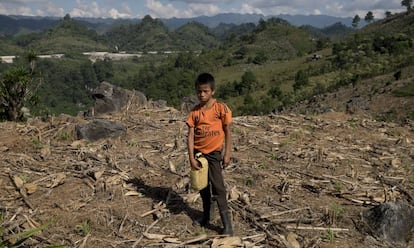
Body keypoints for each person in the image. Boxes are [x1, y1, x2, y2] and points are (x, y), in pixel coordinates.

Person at [186, 72, 234, 236]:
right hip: (199, 154)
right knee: (203, 186)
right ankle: (206, 216)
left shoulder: (221, 108)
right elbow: (190, 135)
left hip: (214, 154)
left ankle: (227, 225)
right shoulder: (195, 112)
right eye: (199, 91)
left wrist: (227, 154)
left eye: (205, 91)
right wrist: (191, 157)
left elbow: (228, 132)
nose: (202, 94)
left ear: (212, 91)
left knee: (218, 187)